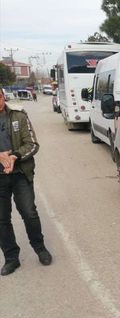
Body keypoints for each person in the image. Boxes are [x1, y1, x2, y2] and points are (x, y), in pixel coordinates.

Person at [0, 86, 52, 276]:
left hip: (20, 173)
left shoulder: (18, 115)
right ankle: (11, 258)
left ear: (3, 96)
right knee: (2, 219)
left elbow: (32, 144)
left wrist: (13, 156)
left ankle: (40, 248)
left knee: (29, 213)